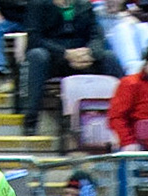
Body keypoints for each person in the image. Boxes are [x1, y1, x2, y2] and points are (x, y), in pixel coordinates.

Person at [22, 0, 124, 134]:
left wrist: (90, 53)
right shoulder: (38, 4)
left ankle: (125, 113)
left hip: (83, 58)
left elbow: (96, 35)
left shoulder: (84, 5)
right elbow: (34, 40)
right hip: (54, 60)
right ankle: (31, 120)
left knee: (109, 57)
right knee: (37, 55)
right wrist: (65, 54)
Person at [95, 0, 148, 77]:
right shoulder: (95, 13)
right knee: (122, 28)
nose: (111, 2)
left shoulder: (126, 15)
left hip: (125, 49)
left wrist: (131, 21)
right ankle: (133, 72)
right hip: (105, 48)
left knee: (145, 27)